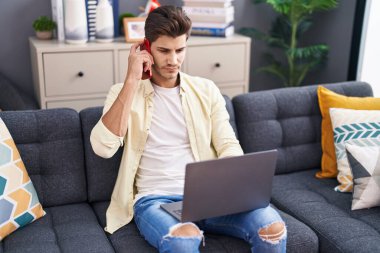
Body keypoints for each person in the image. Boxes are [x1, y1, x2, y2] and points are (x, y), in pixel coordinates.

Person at [90, 5, 287, 253]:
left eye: (180, 50)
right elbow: (102, 147)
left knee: (272, 228)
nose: (173, 60)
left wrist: (234, 187)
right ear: (146, 48)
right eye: (163, 51)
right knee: (183, 238)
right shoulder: (123, 92)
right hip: (155, 200)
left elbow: (227, 144)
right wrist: (131, 79)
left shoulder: (206, 90)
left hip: (211, 197)